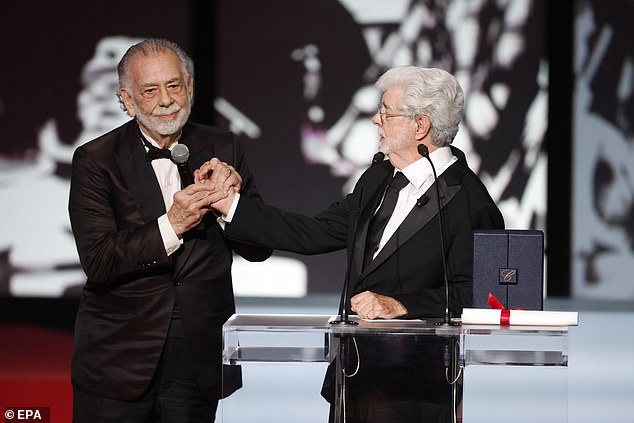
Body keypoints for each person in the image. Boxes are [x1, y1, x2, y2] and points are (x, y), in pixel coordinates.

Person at [199, 66, 505, 421]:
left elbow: (483, 297)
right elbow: (313, 232)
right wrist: (229, 205)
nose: (376, 120)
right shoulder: (377, 178)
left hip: (417, 392)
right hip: (353, 378)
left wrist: (400, 305)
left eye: (386, 113)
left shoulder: (471, 202)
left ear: (420, 126)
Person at [68, 38, 272, 422]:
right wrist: (172, 225)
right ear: (127, 101)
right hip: (118, 356)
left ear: (190, 88)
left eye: (174, 86)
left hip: (196, 354)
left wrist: (232, 206)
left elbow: (259, 248)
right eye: (150, 90)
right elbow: (99, 260)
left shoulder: (223, 146)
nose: (166, 100)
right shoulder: (96, 160)